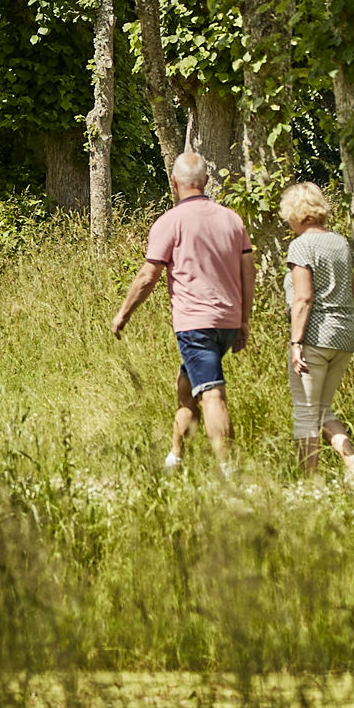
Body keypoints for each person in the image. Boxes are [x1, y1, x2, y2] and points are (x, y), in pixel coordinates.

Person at [109, 148, 252, 474]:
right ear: (204, 181)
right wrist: (244, 320)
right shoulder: (232, 219)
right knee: (187, 388)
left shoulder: (169, 222)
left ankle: (231, 474)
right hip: (227, 322)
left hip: (195, 325)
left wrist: (123, 314)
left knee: (212, 394)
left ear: (175, 182)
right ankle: (174, 459)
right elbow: (248, 271)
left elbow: (148, 275)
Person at [280, 180, 354, 479]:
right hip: (344, 335)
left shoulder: (301, 245)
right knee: (322, 411)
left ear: (295, 213)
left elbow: (303, 298)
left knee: (306, 415)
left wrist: (296, 343)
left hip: (315, 338)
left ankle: (309, 485)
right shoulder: (340, 242)